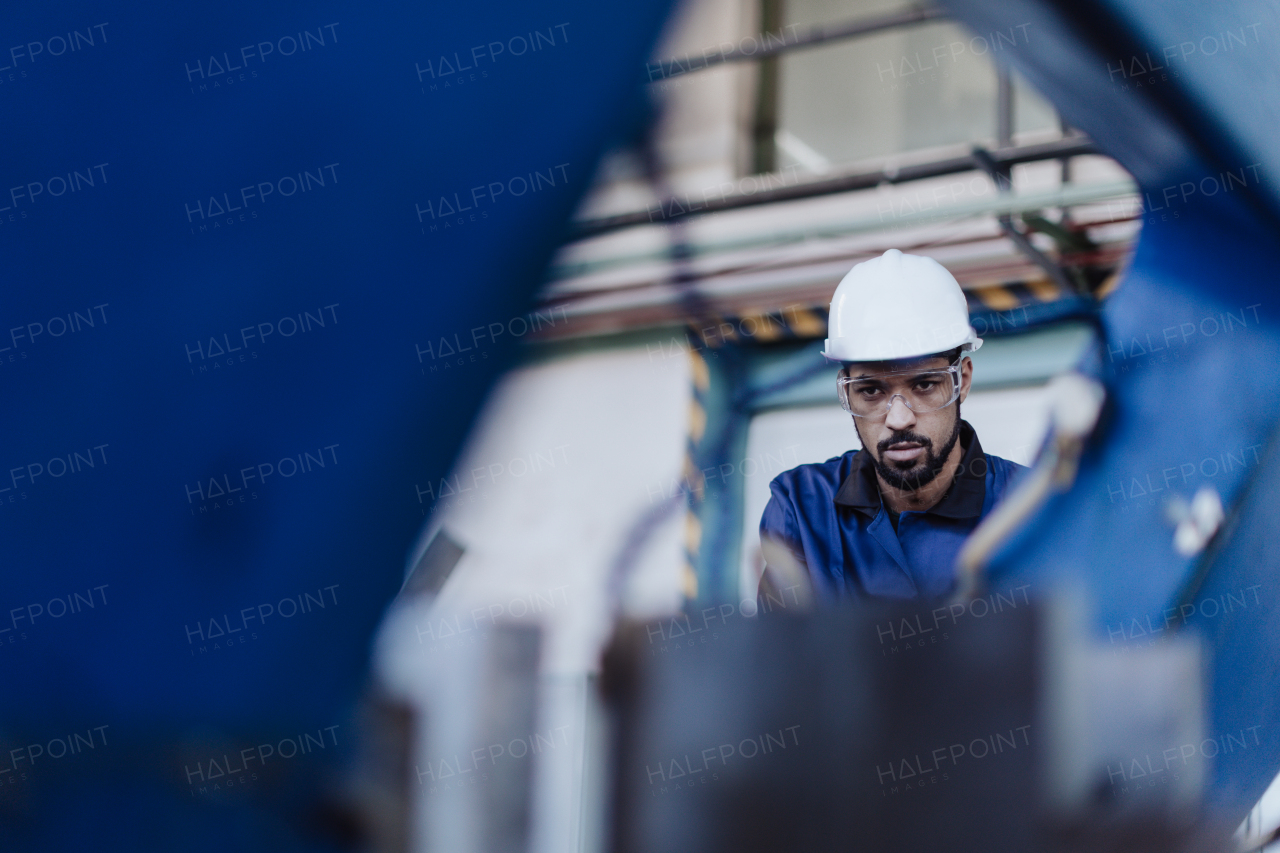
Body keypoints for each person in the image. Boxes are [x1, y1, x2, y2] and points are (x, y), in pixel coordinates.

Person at [759, 249, 1027, 602]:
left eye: (925, 385)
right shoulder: (803, 511)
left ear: (961, 380)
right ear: (847, 393)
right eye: (871, 390)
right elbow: (780, 655)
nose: (899, 419)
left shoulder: (1033, 505)